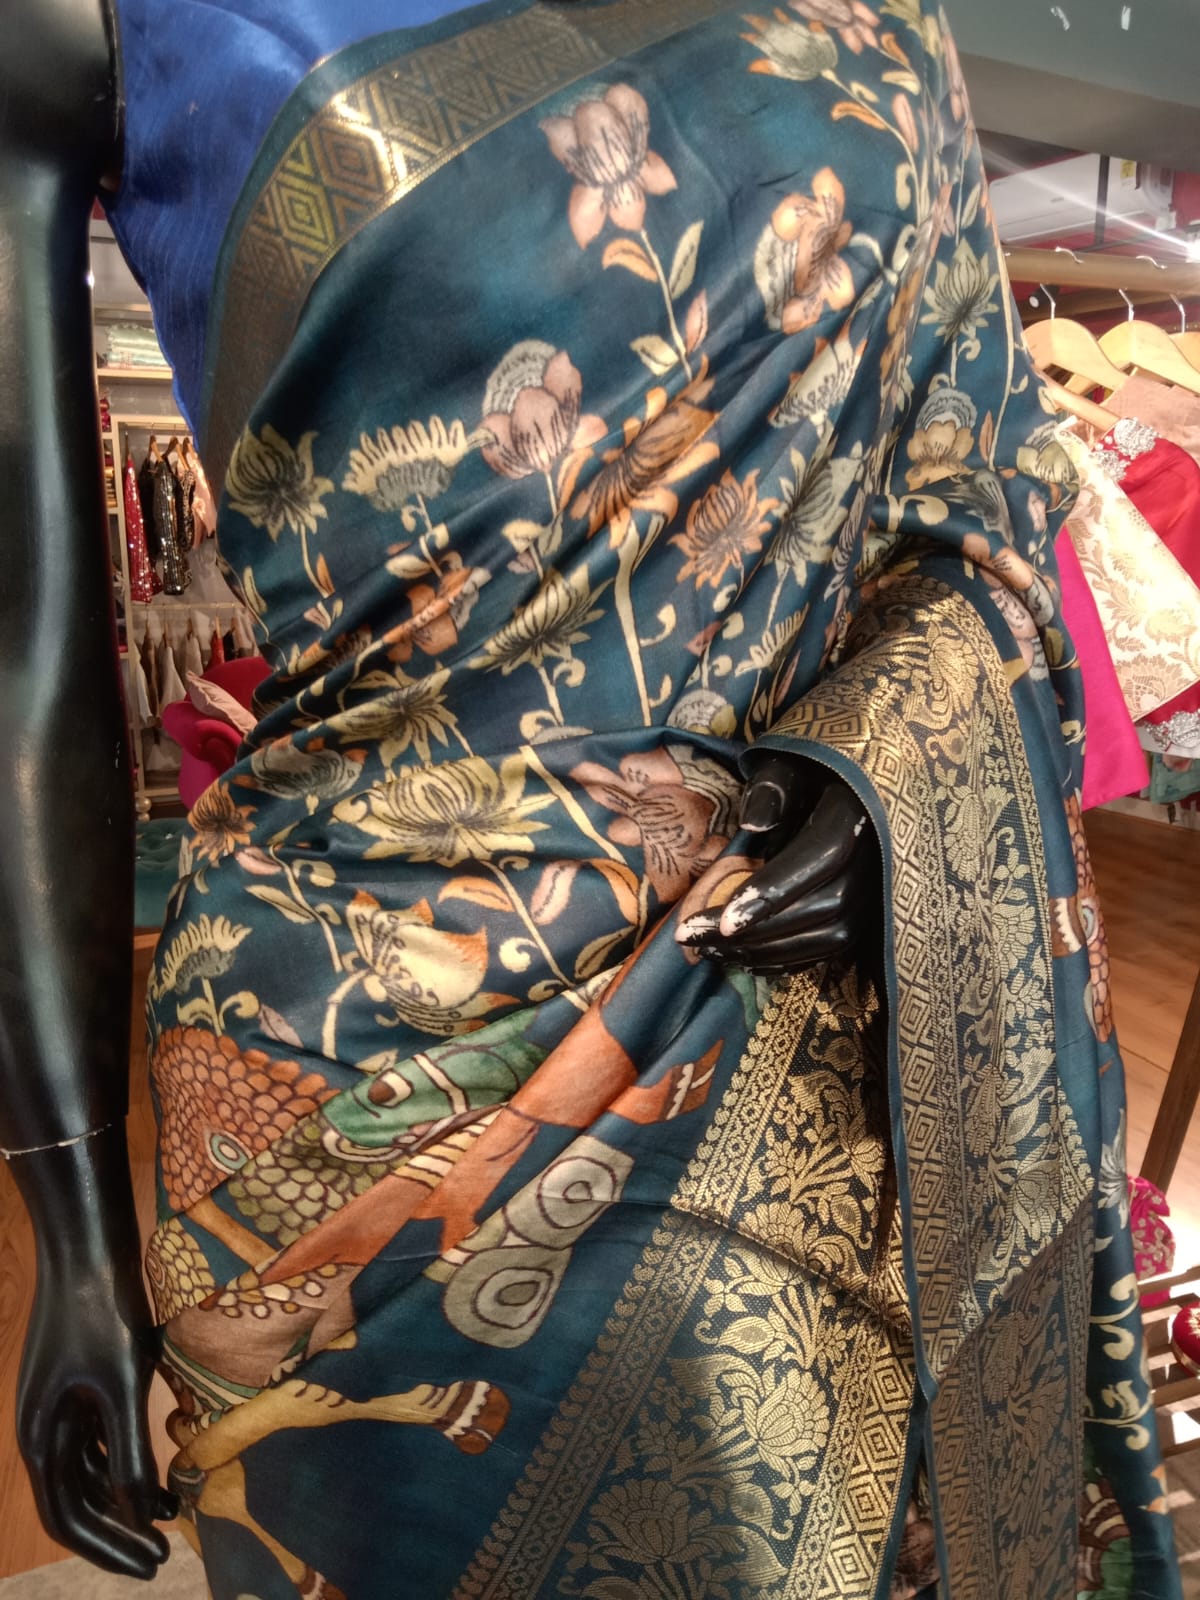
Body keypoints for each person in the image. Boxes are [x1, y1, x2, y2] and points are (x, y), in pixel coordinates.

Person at [0, 0, 1178, 1596]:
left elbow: (977, 492)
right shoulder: (93, 18)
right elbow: (30, 658)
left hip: (786, 988)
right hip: (337, 1068)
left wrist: (879, 766)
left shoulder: (881, 19)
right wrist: (67, 1219)